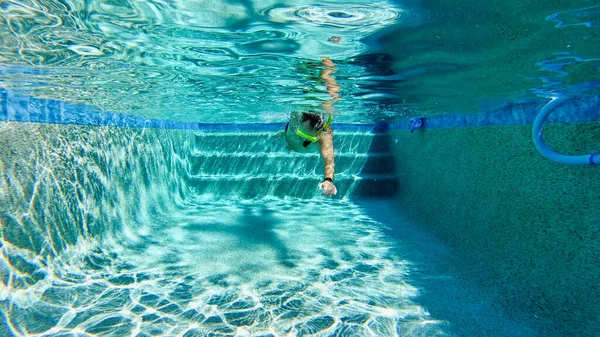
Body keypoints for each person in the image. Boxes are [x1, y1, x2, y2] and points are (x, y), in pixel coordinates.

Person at [284, 57, 341, 196]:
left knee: (329, 87)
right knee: (313, 84)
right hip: (293, 140)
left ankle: (325, 63)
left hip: (296, 143)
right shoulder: (297, 117)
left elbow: (329, 162)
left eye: (315, 131)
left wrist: (329, 180)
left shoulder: (324, 134)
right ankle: (318, 66)